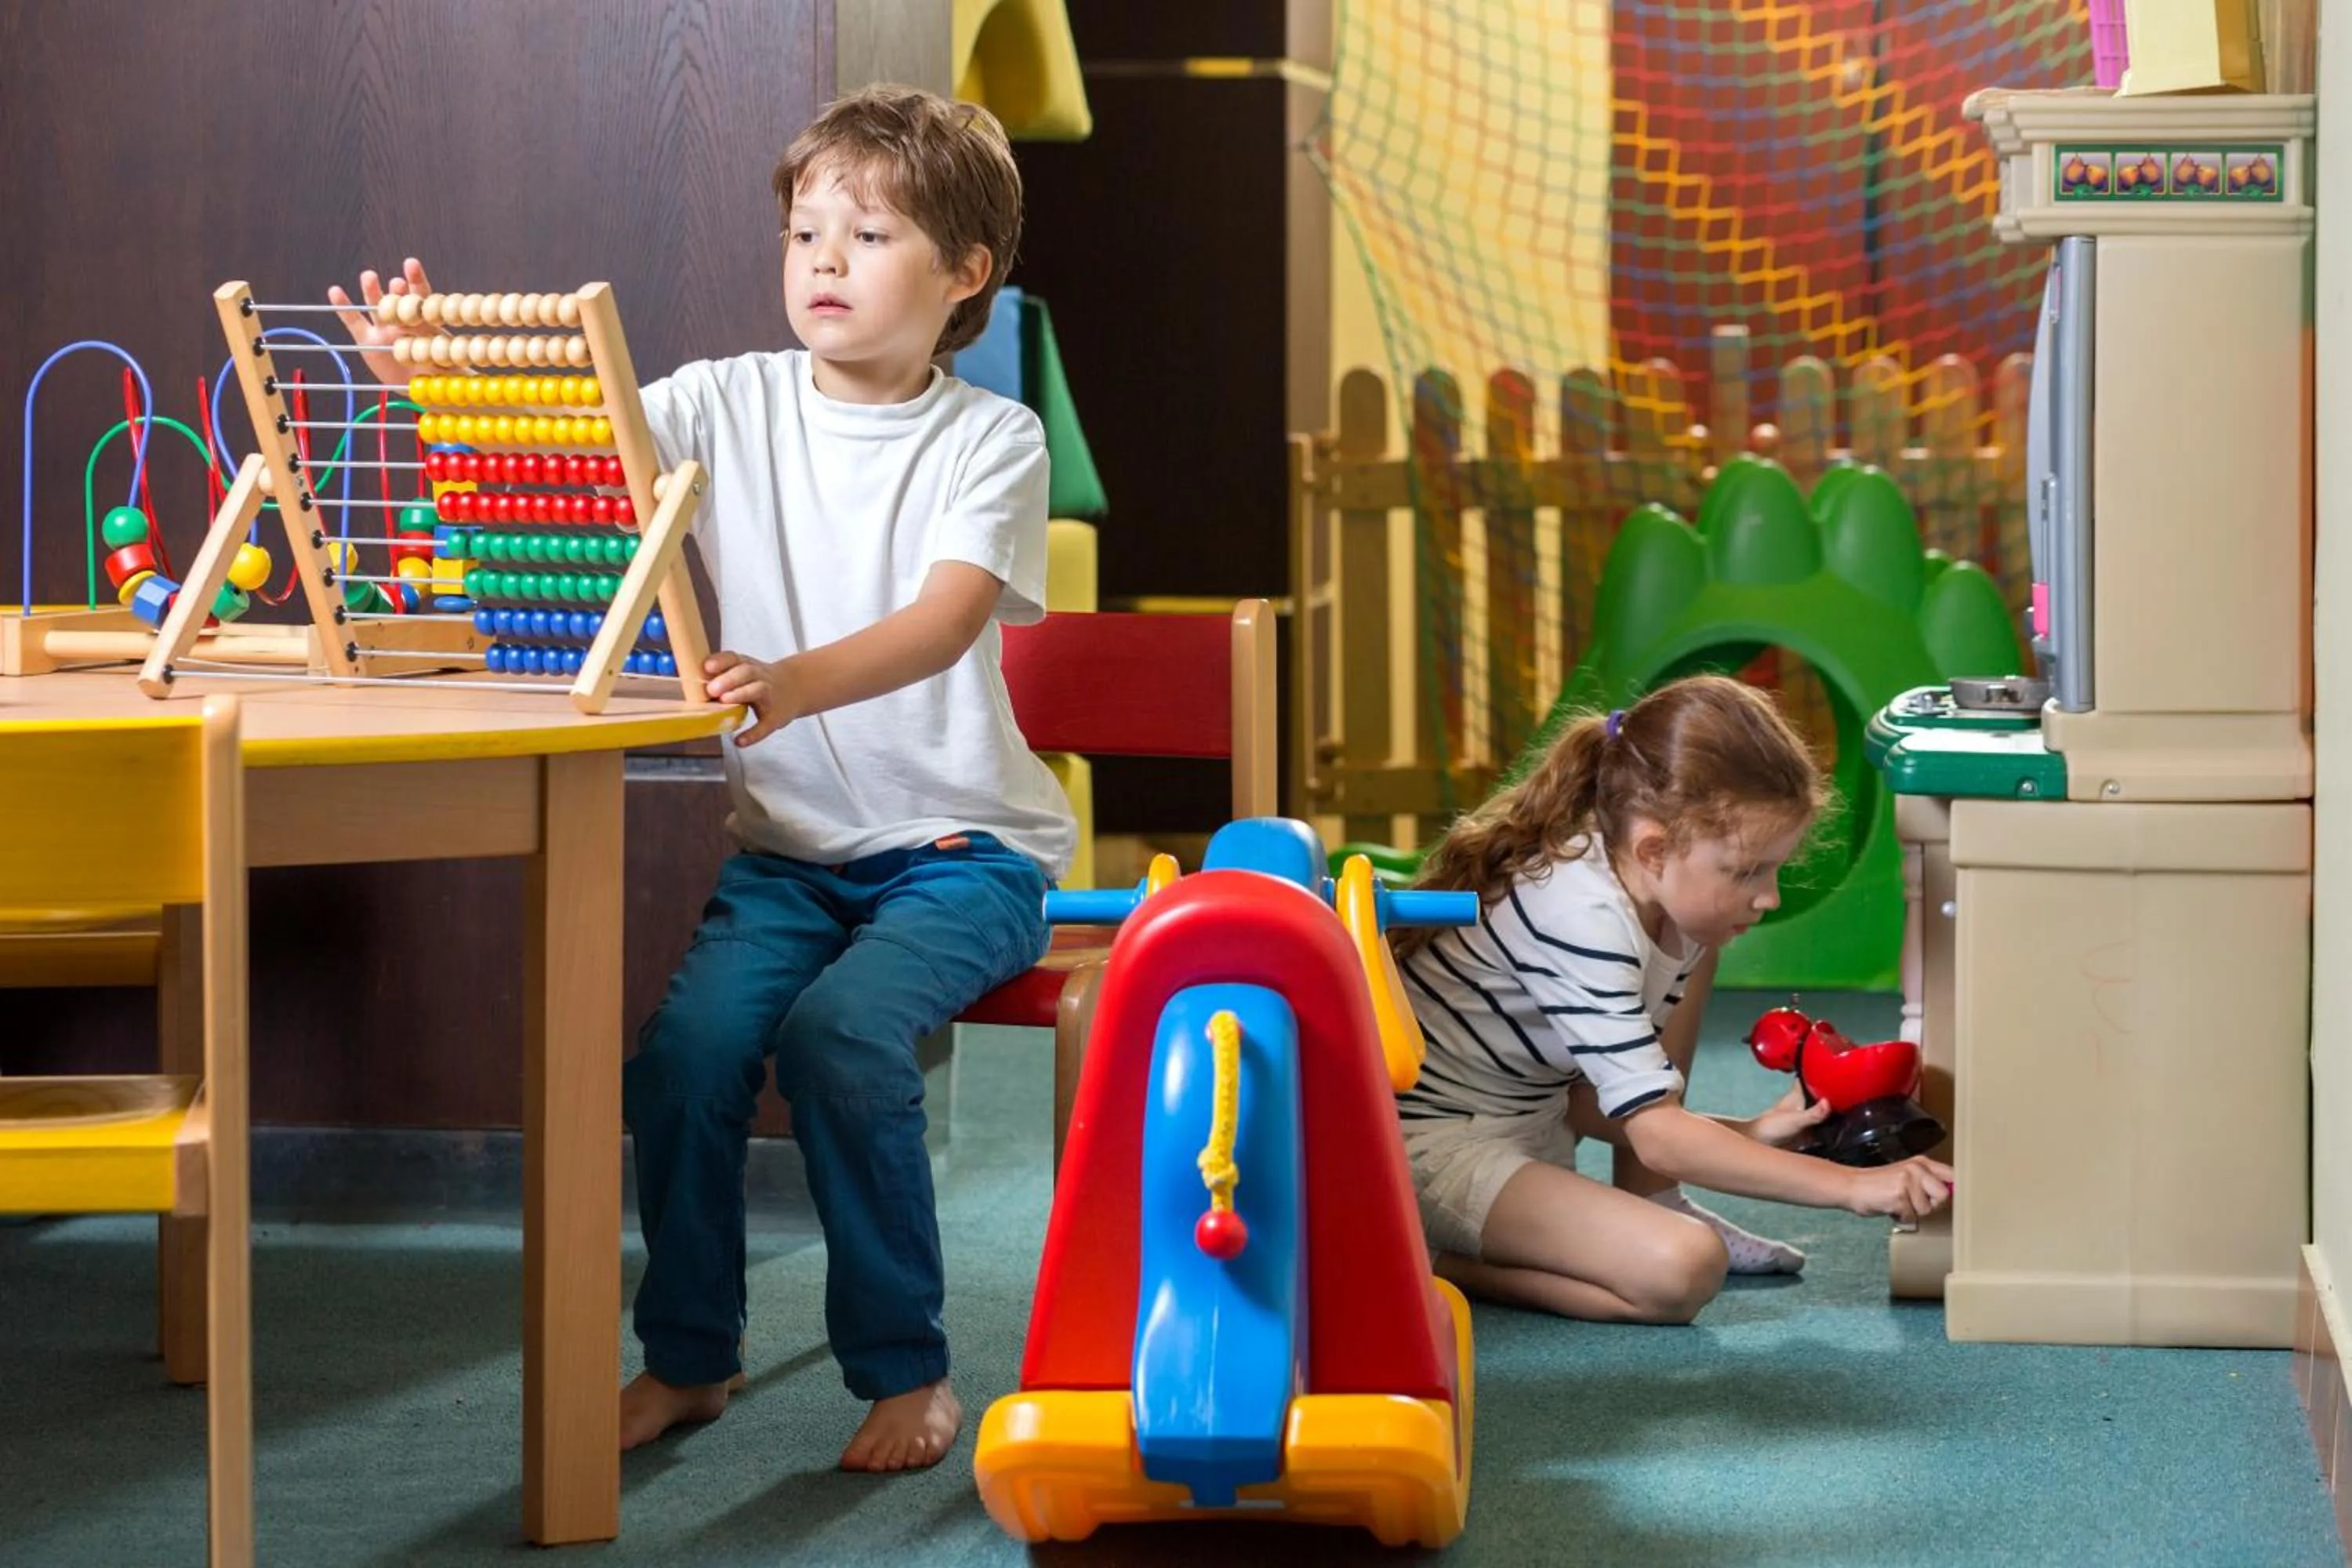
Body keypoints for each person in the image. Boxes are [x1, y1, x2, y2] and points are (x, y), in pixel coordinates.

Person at [328, 85, 1075, 1471]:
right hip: (791, 853)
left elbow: (950, 616)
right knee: (680, 1063)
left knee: (843, 1042)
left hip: (966, 855)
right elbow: (573, 460)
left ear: (966, 274)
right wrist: (426, 375)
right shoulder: (723, 401)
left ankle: (906, 1372)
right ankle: (690, 1358)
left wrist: (791, 681)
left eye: (870, 234)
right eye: (806, 234)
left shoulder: (991, 440)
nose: (826, 262)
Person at [1389, 673, 1952, 1323]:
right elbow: (1655, 1136)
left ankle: (1649, 1203)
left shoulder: (1655, 890)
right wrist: (1853, 1187)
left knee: (1702, 930)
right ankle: (1434, 1260)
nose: (1768, 897)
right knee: (1683, 1267)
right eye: (1746, 871)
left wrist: (1753, 1133)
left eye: (1774, 869)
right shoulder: (1581, 916)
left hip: (1535, 1119)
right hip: (1435, 1151)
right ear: (1653, 847)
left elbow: (1604, 1099)